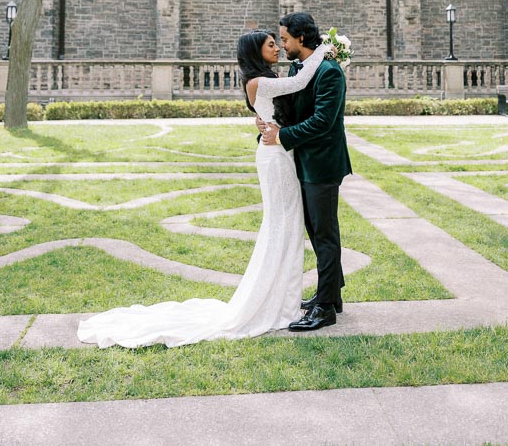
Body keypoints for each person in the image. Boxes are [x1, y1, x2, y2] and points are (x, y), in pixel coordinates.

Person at [76, 30, 329, 348]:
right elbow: (298, 83)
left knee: (287, 225)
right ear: (255, 51)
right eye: (270, 45)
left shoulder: (262, 80)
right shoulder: (257, 82)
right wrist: (328, 48)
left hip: (280, 152)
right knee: (281, 224)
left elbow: (284, 101)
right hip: (275, 158)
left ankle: (284, 300)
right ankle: (274, 302)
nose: (277, 48)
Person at [259, 11, 351, 332]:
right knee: (316, 231)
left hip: (323, 164)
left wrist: (281, 137)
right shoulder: (301, 69)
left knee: (325, 234)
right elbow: (294, 110)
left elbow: (322, 122)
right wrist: (269, 125)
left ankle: (325, 309)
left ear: (301, 38)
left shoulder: (329, 72)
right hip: (304, 162)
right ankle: (332, 293)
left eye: (284, 39)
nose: (282, 45)